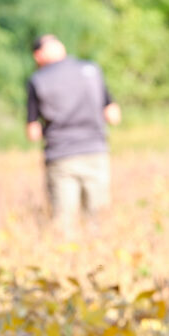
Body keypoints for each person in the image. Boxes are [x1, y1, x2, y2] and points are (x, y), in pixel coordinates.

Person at [25, 34, 121, 236]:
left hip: (61, 155)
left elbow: (32, 132)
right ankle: (99, 259)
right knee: (98, 219)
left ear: (38, 55)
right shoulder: (92, 70)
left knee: (64, 222)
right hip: (96, 151)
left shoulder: (38, 80)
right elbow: (113, 115)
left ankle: (69, 265)